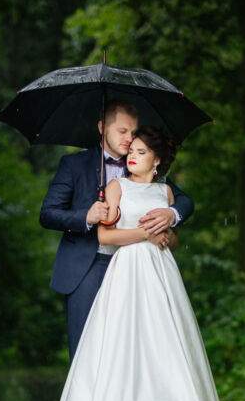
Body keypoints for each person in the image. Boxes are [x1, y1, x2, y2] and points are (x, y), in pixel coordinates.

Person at [44, 126, 237, 401]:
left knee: (163, 350)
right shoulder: (116, 186)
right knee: (120, 350)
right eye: (130, 148)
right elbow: (106, 235)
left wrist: (166, 232)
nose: (131, 155)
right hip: (127, 271)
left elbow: (173, 239)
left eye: (141, 151)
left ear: (157, 160)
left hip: (159, 274)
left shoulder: (165, 193)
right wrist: (146, 234)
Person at [39, 99, 194, 361]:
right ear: (102, 127)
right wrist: (85, 217)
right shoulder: (74, 165)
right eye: (122, 131)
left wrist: (171, 214)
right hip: (88, 267)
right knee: (86, 355)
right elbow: (48, 214)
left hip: (138, 270)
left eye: (133, 131)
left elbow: (184, 201)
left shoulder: (141, 163)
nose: (129, 138)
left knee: (135, 354)